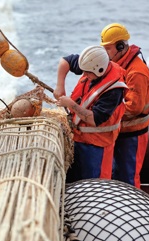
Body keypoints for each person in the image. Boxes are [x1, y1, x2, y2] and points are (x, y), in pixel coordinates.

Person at [54, 45, 128, 181]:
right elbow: (65, 61)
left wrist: (70, 104)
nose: (85, 76)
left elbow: (94, 119)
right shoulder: (92, 63)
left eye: (87, 73)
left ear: (99, 70)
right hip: (79, 138)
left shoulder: (114, 90)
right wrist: (60, 85)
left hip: (97, 146)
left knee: (96, 187)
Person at [100, 23, 149, 189]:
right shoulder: (120, 64)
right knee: (116, 177)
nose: (105, 53)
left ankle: (134, 212)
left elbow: (134, 107)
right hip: (120, 131)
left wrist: (104, 113)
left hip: (132, 135)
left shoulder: (136, 72)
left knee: (128, 179)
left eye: (108, 49)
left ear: (121, 46)